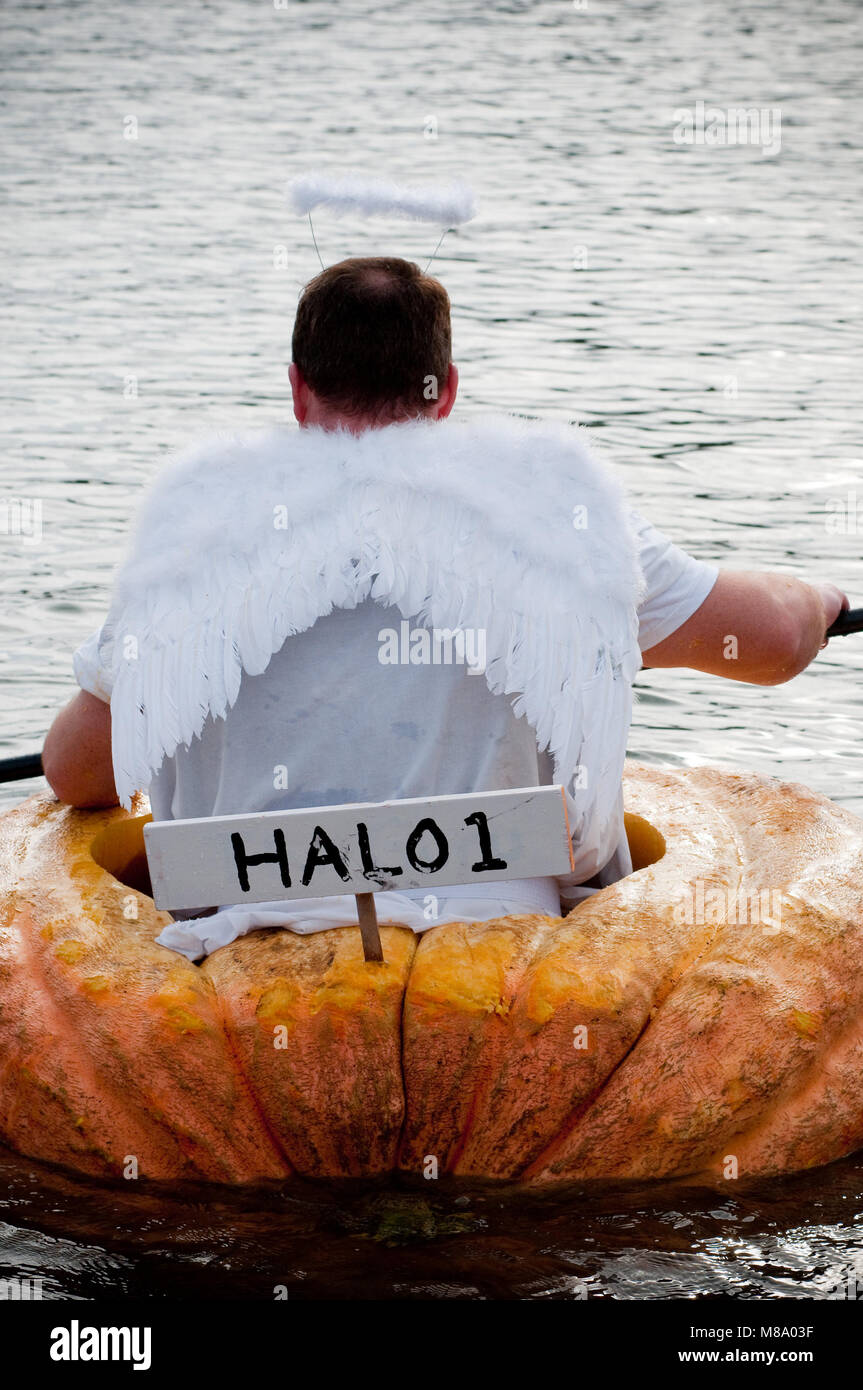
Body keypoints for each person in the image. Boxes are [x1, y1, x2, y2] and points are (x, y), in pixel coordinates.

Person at [42, 256, 848, 960]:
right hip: (508, 957)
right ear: (446, 390)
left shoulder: (197, 536)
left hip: (245, 957)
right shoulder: (556, 517)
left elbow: (76, 772)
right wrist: (821, 598)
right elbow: (772, 640)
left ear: (296, 390)